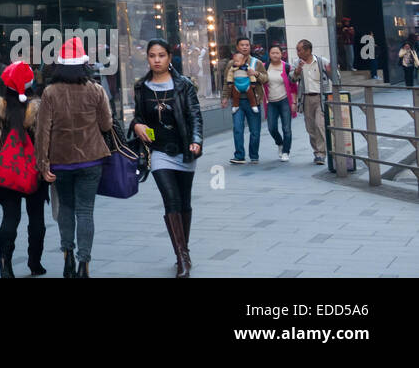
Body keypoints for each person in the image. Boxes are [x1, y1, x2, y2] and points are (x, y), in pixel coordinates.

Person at [35, 37, 112, 278]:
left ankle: (67, 258)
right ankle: (83, 264)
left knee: (65, 209)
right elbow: (107, 124)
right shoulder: (96, 89)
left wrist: (42, 163)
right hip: (91, 159)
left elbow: (42, 131)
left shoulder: (49, 92)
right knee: (85, 211)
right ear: (83, 64)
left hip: (60, 161)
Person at [129, 39, 203, 277]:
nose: (157, 60)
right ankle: (181, 259)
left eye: (161, 55)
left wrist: (196, 141)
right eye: (152, 55)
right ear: (148, 58)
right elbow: (138, 115)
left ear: (170, 57)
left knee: (184, 203)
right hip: (158, 152)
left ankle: (185, 249)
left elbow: (195, 115)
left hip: (184, 150)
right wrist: (137, 124)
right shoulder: (141, 86)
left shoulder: (184, 84)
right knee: (170, 201)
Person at [0, 61, 46, 278]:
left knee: (10, 217)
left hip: (8, 172)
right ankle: (35, 263)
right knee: (37, 217)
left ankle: (5, 263)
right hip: (35, 171)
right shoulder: (38, 108)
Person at [292, 39, 340, 165]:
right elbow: (292, 79)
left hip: (321, 97)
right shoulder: (297, 63)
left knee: (320, 125)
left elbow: (337, 78)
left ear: (308, 50)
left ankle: (321, 153)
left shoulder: (321, 61)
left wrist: (331, 71)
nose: (297, 52)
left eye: (299, 50)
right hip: (306, 99)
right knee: (310, 128)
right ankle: (317, 151)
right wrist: (297, 71)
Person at [221, 36, 267, 164]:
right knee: (237, 128)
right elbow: (227, 82)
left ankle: (254, 155)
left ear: (250, 47)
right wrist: (225, 97)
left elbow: (265, 79)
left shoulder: (256, 63)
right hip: (237, 101)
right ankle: (239, 156)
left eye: (247, 45)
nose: (245, 47)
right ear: (237, 47)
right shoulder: (231, 64)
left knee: (255, 131)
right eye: (242, 45)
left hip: (254, 101)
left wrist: (256, 74)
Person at [263, 43, 298, 162]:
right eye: (272, 53)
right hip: (271, 102)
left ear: (281, 54)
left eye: (277, 53)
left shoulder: (287, 67)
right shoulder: (265, 66)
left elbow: (293, 86)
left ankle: (286, 151)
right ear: (269, 54)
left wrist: (293, 102)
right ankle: (280, 143)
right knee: (271, 128)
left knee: (286, 128)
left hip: (284, 101)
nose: (275, 55)